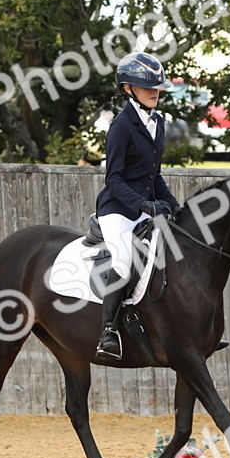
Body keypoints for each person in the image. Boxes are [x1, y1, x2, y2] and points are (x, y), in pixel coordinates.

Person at [94, 52, 181, 360]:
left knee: (175, 251)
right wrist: (145, 205)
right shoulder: (121, 126)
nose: (155, 91)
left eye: (157, 86)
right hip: (117, 209)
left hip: (146, 206)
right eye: (147, 87)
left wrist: (172, 205)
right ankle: (108, 332)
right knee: (123, 260)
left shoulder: (157, 122)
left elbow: (153, 175)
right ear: (128, 89)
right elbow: (113, 179)